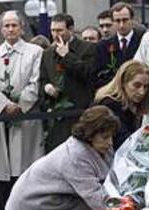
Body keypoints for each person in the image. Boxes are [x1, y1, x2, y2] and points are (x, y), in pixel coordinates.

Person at [5, 105, 120, 210]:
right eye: (105, 137)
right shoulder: (76, 155)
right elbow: (96, 198)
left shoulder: (102, 147)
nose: (110, 142)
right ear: (90, 135)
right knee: (94, 209)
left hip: (54, 196)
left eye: (111, 136)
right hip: (33, 203)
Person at [0, 10, 44, 210]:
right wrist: (3, 104)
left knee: (24, 164)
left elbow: (36, 81)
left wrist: (21, 104)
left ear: (22, 27)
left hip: (25, 116)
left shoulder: (35, 52)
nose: (10, 29)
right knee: (2, 167)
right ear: (1, 29)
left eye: (14, 25)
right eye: (6, 26)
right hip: (1, 115)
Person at [40, 13, 96, 151]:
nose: (55, 34)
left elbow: (88, 74)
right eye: (53, 30)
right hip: (57, 114)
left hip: (79, 112)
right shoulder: (47, 53)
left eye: (59, 30)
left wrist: (67, 56)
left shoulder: (88, 48)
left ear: (70, 29)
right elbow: (43, 78)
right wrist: (46, 87)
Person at [95, 60, 149, 150]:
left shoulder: (132, 104)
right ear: (123, 83)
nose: (142, 92)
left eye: (145, 86)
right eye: (137, 85)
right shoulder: (109, 105)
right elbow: (123, 141)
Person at [93, 2, 146, 89]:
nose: (121, 25)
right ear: (113, 21)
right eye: (117, 21)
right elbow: (99, 75)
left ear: (132, 20)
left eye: (125, 20)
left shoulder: (143, 40)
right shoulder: (103, 46)